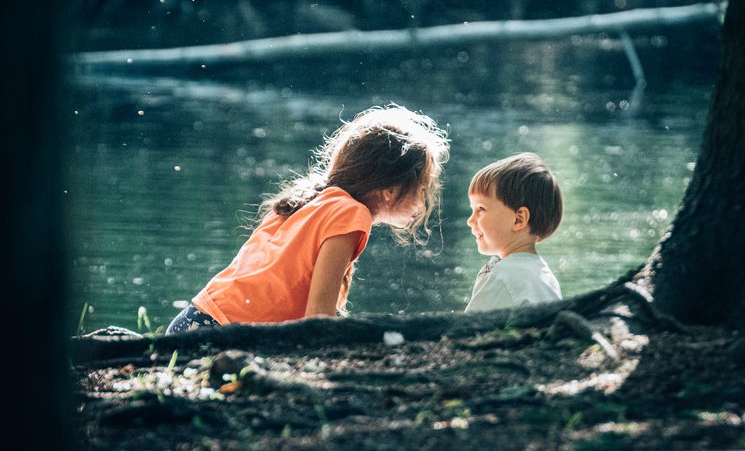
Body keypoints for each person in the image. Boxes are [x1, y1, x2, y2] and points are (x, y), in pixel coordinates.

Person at [166, 104, 449, 334]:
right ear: (390, 190)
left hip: (195, 320)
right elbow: (318, 319)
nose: (424, 201)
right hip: (219, 333)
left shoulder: (313, 199)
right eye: (423, 189)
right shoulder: (350, 214)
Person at [464, 152, 563, 313]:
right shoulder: (545, 276)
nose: (470, 220)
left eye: (481, 209)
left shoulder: (503, 277)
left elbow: (465, 331)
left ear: (518, 219)